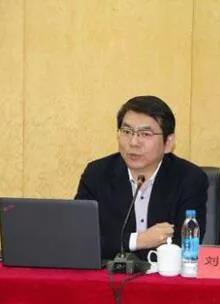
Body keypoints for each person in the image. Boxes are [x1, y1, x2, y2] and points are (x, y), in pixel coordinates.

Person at [75, 95, 208, 260]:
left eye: (145, 134)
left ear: (168, 142)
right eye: (127, 132)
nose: (133, 142)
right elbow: (80, 239)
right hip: (111, 274)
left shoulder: (189, 178)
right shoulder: (97, 174)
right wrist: (138, 240)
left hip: (165, 274)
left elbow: (187, 243)